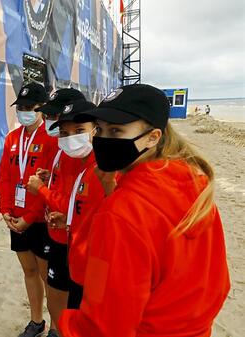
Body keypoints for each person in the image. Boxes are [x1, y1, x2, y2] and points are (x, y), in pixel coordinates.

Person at [58, 84, 230, 337]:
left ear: (153, 137)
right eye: (100, 129)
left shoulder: (122, 211)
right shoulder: (194, 184)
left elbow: (103, 323)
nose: (103, 140)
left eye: (116, 130)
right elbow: (217, 280)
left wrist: (66, 325)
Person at [26, 97, 107, 337]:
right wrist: (50, 177)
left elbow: (80, 205)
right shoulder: (67, 153)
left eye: (79, 130)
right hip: (64, 236)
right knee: (57, 297)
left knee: (77, 304)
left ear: (95, 130)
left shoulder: (100, 167)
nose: (70, 137)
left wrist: (41, 190)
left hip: (81, 248)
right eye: (64, 131)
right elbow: (75, 201)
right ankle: (56, 329)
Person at [0, 82, 57, 337]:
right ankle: (37, 322)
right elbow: (5, 177)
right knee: (29, 271)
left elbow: (50, 185)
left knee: (48, 278)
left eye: (29, 107)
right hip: (17, 217)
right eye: (20, 107)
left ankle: (55, 327)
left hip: (41, 220)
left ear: (42, 108)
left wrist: (30, 217)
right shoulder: (13, 137)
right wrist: (5, 210)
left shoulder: (53, 139)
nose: (24, 112)